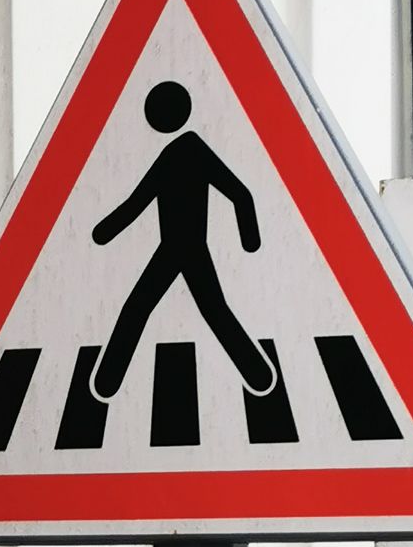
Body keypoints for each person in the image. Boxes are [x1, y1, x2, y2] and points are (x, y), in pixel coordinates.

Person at [89, 80, 275, 401]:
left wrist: (251, 240)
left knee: (149, 308)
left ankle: (257, 373)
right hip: (175, 250)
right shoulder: (180, 153)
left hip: (185, 250)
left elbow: (239, 194)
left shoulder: (185, 151)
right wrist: (102, 233)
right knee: (201, 310)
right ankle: (257, 372)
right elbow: (138, 203)